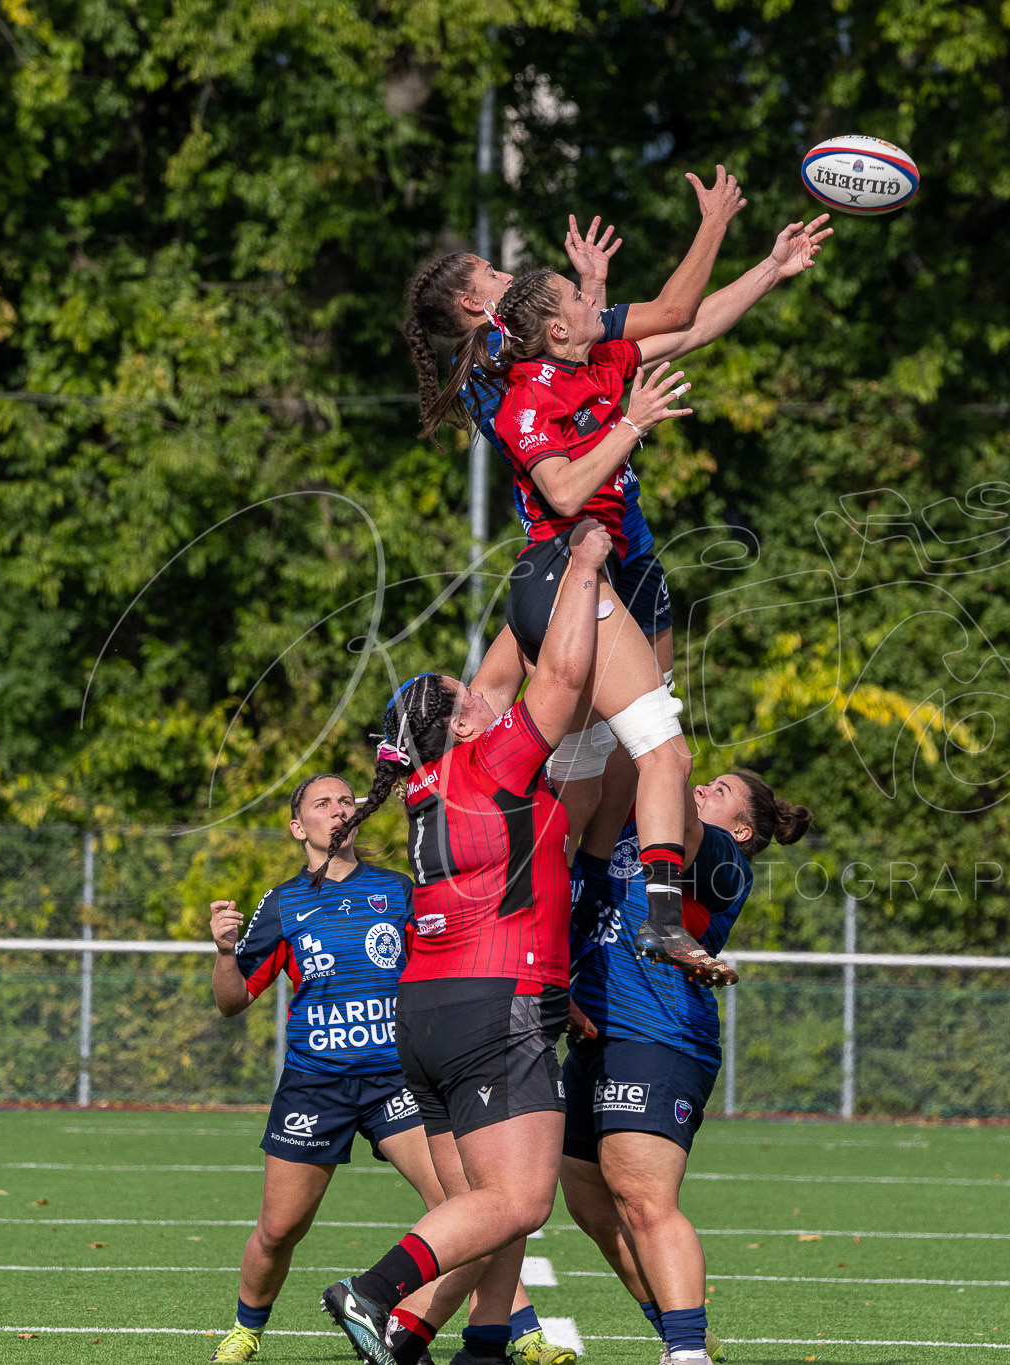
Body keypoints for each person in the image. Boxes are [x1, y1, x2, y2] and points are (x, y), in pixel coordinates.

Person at [466, 217, 831, 986]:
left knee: (577, 786)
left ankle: (522, 949)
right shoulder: (521, 398)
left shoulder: (592, 358)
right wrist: (632, 423)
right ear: (554, 326)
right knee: (663, 748)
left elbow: (688, 321)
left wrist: (767, 266)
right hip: (568, 578)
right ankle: (662, 922)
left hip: (588, 582)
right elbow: (562, 486)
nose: (590, 295)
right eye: (574, 293)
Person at [316, 520, 613, 1365]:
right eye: (471, 695)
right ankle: (373, 1294)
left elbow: (497, 670)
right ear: (459, 722)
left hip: (428, 1011)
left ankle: (450, 1341)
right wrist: (585, 562)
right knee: (519, 1199)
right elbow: (556, 669)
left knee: (481, 1204)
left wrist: (535, 562)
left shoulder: (422, 782)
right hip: (493, 1002)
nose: (489, 695)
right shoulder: (494, 761)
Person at [201, 775, 563, 1365]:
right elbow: (231, 999)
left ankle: (515, 1332)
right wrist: (223, 952)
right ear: (300, 828)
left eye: (347, 799)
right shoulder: (283, 903)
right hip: (315, 1084)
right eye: (323, 803)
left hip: (398, 1079)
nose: (339, 808)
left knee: (471, 1204)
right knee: (278, 1230)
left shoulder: (399, 891)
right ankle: (246, 1330)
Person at [403, 168, 748, 677]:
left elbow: (583, 382)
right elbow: (676, 316)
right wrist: (714, 222)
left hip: (614, 516)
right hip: (581, 535)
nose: (508, 277)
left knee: (644, 718)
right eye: (494, 274)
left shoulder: (491, 358)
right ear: (475, 303)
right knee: (640, 712)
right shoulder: (508, 344)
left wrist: (592, 287)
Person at [561, 770, 811, 1365]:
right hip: (597, 1034)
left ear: (744, 828)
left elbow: (666, 791)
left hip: (658, 1032)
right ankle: (689, 1335)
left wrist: (655, 744)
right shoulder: (644, 831)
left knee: (643, 1197)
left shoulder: (723, 858)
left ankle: (686, 1351)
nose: (703, 791)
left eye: (720, 790)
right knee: (591, 1204)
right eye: (705, 785)